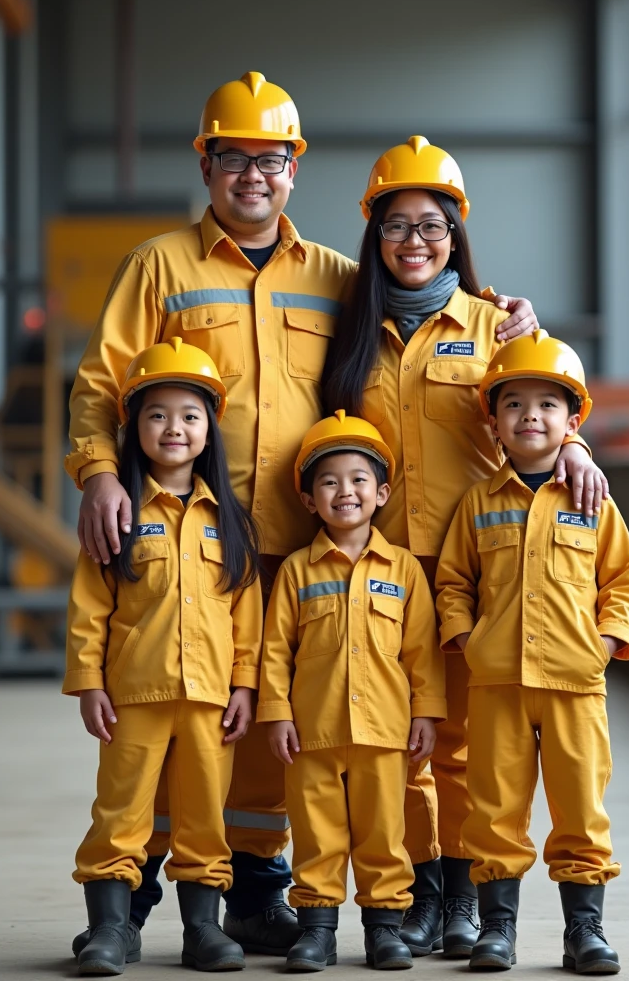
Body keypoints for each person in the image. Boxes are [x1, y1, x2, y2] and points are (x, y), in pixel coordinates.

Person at [66, 78, 537, 957]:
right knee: (167, 724)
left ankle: (253, 891)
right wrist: (100, 475)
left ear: (294, 171)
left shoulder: (335, 276)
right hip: (191, 539)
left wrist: (524, 328)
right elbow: (102, 385)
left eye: (272, 159)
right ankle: (126, 903)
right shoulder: (159, 266)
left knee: (268, 734)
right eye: (236, 157)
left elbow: (433, 298)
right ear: (206, 163)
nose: (255, 174)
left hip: (309, 542)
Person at [322, 135, 609, 959]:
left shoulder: (497, 326)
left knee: (464, 753)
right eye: (398, 226)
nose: (416, 242)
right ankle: (418, 897)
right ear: (374, 236)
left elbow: (546, 411)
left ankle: (466, 904)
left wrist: (581, 453)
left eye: (433, 225)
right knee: (399, 745)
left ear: (457, 234)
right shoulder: (348, 334)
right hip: (377, 576)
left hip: (478, 574)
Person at [435, 330, 629, 973]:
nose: (531, 416)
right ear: (493, 422)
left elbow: (623, 584)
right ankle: (497, 931)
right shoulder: (478, 503)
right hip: (496, 683)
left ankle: (585, 931)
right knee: (493, 810)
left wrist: (602, 645)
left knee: (580, 805)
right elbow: (453, 583)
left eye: (548, 405)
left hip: (575, 685)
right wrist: (470, 642)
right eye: (515, 405)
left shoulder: (591, 501)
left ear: (572, 420)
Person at [63, 338, 263, 975]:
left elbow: (247, 618)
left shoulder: (229, 523)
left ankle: (203, 931)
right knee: (121, 815)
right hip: (133, 697)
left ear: (211, 428)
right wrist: (89, 683)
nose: (173, 428)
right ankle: (111, 931)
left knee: (204, 818)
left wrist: (245, 687)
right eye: (156, 414)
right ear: (132, 426)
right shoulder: (118, 515)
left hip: (210, 701)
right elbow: (89, 608)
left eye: (189, 415)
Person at [258, 411, 447, 971]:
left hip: (386, 732)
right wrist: (277, 714)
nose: (346, 491)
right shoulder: (296, 571)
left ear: (383, 492)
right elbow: (275, 651)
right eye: (330, 481)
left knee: (384, 835)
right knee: (317, 836)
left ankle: (384, 928)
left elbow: (422, 652)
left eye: (360, 479)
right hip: (312, 733)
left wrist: (426, 714)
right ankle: (316, 930)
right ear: (310, 500)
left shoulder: (406, 569)